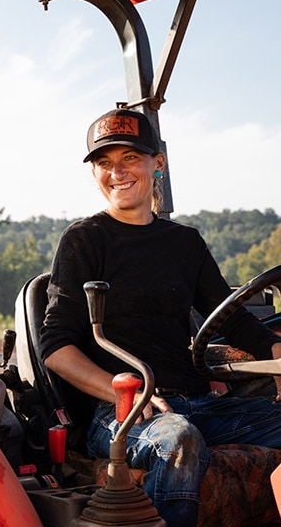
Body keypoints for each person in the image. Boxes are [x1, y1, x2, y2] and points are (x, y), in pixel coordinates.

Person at [39, 107, 281, 526]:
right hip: (120, 414)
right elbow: (56, 348)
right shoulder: (85, 241)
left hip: (197, 403)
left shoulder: (185, 243)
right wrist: (125, 397)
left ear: (158, 162)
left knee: (185, 426)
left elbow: (232, 319)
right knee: (177, 440)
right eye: (104, 162)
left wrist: (278, 352)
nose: (117, 172)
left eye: (130, 157)